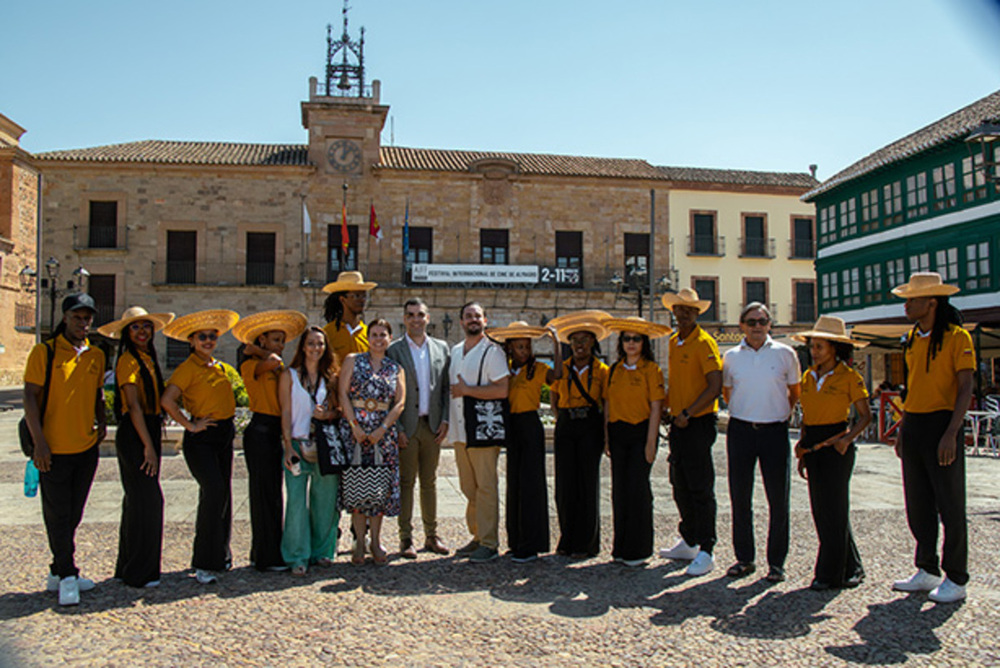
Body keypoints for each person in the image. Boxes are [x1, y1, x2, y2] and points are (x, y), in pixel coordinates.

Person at [890, 272, 974, 604]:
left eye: (912, 300)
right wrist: (903, 427)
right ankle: (927, 569)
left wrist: (952, 433)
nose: (907, 305)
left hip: (943, 423)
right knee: (918, 502)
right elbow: (913, 387)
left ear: (932, 302)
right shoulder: (911, 338)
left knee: (951, 505)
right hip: (914, 425)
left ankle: (957, 576)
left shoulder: (957, 338)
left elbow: (965, 386)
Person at [23, 293, 107, 606]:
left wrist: (101, 423)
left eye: (87, 318)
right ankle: (69, 574)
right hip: (54, 449)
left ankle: (56, 571)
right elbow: (30, 397)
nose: (83, 323)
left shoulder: (96, 355)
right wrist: (40, 443)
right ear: (65, 318)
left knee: (73, 513)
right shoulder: (44, 352)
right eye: (77, 317)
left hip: (86, 447)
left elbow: (98, 394)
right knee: (57, 513)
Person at [791, 316, 871, 591]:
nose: (814, 352)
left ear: (835, 348)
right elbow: (806, 417)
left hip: (836, 444)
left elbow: (865, 416)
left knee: (834, 511)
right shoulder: (807, 376)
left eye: (820, 347)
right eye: (812, 347)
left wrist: (847, 440)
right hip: (812, 444)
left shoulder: (850, 377)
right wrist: (802, 449)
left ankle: (828, 574)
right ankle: (853, 566)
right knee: (821, 510)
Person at [722, 302, 801, 583]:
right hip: (741, 429)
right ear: (742, 325)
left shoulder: (786, 354)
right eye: (752, 321)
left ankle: (777, 563)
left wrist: (778, 413)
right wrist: (748, 411)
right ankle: (744, 558)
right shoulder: (731, 357)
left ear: (770, 325)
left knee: (778, 499)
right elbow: (728, 392)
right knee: (740, 497)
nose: (757, 326)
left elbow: (794, 392)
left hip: (774, 432)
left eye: (763, 321)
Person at [161, 309, 241, 585]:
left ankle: (220, 554)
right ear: (192, 341)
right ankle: (203, 562)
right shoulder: (187, 369)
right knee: (213, 492)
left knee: (224, 494)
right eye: (203, 337)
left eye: (212, 336)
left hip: (223, 434)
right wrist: (190, 425)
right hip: (202, 439)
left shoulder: (218, 367)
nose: (208, 341)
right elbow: (168, 400)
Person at [98, 306, 174, 589]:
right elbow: (132, 407)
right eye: (135, 327)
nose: (142, 332)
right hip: (136, 433)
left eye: (145, 327)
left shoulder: (147, 358)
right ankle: (141, 572)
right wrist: (148, 447)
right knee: (149, 502)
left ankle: (127, 567)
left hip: (148, 429)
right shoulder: (128, 361)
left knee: (135, 502)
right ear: (126, 333)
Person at [233, 310, 308, 572]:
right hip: (260, 430)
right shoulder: (251, 365)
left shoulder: (276, 367)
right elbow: (274, 360)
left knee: (274, 494)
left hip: (274, 431)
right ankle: (265, 556)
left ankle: (268, 551)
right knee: (263, 494)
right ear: (261, 341)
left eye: (282, 340)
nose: (280, 345)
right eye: (275, 339)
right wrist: (256, 350)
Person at [658, 288, 723, 577]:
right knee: (678, 482)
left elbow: (714, 386)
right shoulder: (674, 342)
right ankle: (689, 538)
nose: (682, 314)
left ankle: (707, 548)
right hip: (678, 422)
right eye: (679, 309)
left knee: (700, 486)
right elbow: (679, 383)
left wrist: (688, 413)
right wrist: (668, 407)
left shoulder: (704, 343)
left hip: (697, 423)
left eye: (688, 310)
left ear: (697, 313)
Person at [487, 321, 563, 563]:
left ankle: (532, 544)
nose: (524, 351)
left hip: (530, 425)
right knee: (514, 483)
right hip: (512, 426)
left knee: (532, 484)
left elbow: (557, 376)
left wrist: (557, 345)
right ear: (510, 349)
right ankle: (516, 540)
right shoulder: (507, 371)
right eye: (519, 347)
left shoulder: (538, 368)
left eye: (526, 346)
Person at [386, 298, 451, 559]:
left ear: (428, 317)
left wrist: (445, 419)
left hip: (432, 425)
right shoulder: (395, 350)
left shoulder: (441, 348)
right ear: (404, 318)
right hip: (407, 426)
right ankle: (405, 538)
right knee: (405, 482)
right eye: (410, 314)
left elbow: (446, 388)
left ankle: (432, 535)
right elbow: (390, 393)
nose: (416, 319)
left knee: (430, 482)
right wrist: (397, 427)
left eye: (420, 314)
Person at [602, 316, 670, 567]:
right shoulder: (614, 371)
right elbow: (608, 405)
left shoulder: (652, 370)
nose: (631, 343)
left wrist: (651, 443)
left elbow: (656, 408)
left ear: (644, 343)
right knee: (619, 491)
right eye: (627, 339)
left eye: (636, 339)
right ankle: (620, 548)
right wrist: (607, 438)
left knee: (638, 490)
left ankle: (639, 549)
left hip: (640, 432)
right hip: (618, 434)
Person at [339, 319, 405, 565]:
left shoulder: (395, 368)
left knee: (377, 491)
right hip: (355, 434)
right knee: (357, 488)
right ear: (368, 337)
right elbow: (342, 393)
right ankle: (358, 543)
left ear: (389, 338)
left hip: (382, 436)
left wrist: (383, 428)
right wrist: (354, 426)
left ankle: (375, 542)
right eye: (374, 334)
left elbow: (400, 402)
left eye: (383, 334)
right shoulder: (352, 360)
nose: (378, 339)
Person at [448, 302, 510, 564]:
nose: (473, 320)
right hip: (460, 430)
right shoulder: (456, 351)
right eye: (468, 316)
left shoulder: (493, 352)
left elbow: (502, 390)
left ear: (486, 320)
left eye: (477, 316)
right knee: (468, 487)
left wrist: (468, 391)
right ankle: (476, 536)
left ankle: (489, 542)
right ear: (461, 321)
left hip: (482, 429)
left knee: (486, 487)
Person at [548, 311, 612, 559]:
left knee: (588, 484)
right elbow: (553, 397)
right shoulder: (561, 369)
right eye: (575, 340)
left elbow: (605, 404)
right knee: (565, 484)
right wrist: (561, 417)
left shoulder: (602, 370)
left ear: (593, 344)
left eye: (585, 340)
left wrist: (606, 437)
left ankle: (587, 542)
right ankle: (567, 538)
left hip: (590, 425)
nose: (579, 345)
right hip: (567, 425)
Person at [279, 326, 342, 575]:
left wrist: (327, 414)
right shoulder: (289, 375)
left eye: (320, 344)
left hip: (325, 444)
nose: (316, 348)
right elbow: (285, 411)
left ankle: (323, 551)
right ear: (302, 347)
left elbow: (339, 411)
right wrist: (286, 447)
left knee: (324, 500)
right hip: (296, 442)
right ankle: (297, 556)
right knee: (295, 501)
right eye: (311, 343)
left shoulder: (331, 377)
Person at [321, 271, 376, 361]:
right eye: (357, 295)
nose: (362, 300)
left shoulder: (368, 334)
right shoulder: (328, 333)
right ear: (342, 299)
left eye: (364, 296)